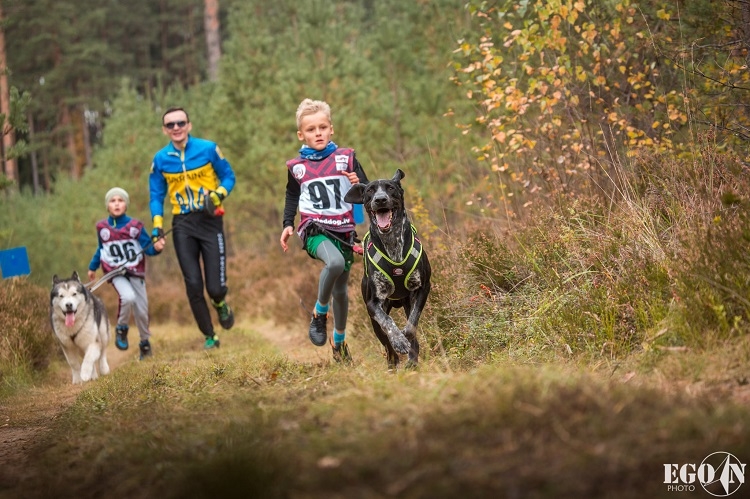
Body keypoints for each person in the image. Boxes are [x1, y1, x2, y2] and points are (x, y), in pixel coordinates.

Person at [280, 98, 369, 363]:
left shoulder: (346, 158)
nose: (317, 133)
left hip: (343, 230)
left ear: (331, 129)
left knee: (341, 292)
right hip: (314, 229)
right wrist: (287, 224)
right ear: (301, 134)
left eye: (322, 127)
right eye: (311, 129)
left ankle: (339, 345)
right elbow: (291, 197)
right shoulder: (297, 167)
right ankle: (319, 314)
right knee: (335, 262)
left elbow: (367, 192)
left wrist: (359, 183)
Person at [149, 107, 236, 350]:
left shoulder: (208, 149)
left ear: (189, 125)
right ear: (164, 130)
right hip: (182, 224)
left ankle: (220, 303)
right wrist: (157, 227)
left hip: (209, 220)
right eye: (170, 125)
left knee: (215, 287)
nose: (176, 128)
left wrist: (218, 195)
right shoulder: (161, 159)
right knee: (193, 284)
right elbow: (156, 196)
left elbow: (229, 177)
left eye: (180, 123)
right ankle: (209, 335)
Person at [88, 187, 165, 360]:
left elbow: (148, 248)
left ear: (126, 205)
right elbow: (101, 249)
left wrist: (157, 248)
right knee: (128, 297)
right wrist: (92, 267)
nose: (116, 204)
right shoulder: (102, 228)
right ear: (107, 205)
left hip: (135, 271)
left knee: (142, 311)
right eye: (113, 201)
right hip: (116, 272)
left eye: (120, 200)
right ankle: (121, 329)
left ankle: (145, 343)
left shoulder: (135, 227)